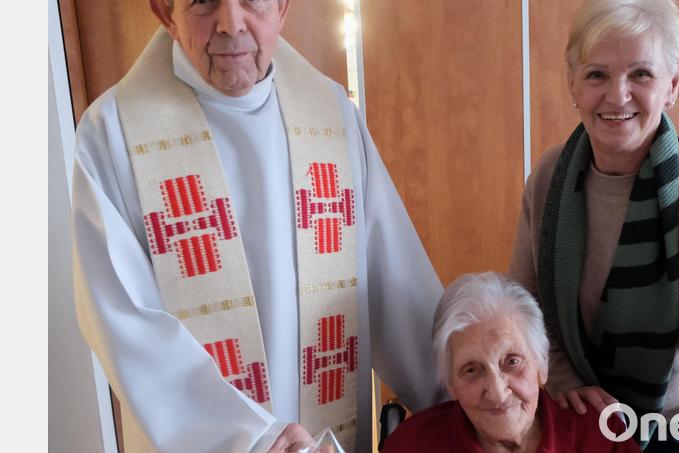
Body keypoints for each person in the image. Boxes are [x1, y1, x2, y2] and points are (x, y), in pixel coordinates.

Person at [71, 0, 443, 452]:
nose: (231, 24)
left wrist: (463, 395)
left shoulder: (330, 112)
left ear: (282, 7)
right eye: (204, 1)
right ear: (165, 12)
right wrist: (252, 438)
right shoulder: (112, 133)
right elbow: (124, 323)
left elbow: (395, 278)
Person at [508, 0, 679, 451]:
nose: (617, 95)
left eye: (641, 74)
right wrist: (565, 384)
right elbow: (523, 315)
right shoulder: (548, 179)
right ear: (573, 85)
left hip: (669, 432)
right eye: (597, 75)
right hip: (566, 417)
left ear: (671, 86)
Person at [382, 272, 642, 453]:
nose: (497, 393)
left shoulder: (597, 435)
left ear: (542, 366)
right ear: (451, 384)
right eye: (471, 370)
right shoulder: (413, 445)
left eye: (512, 362)